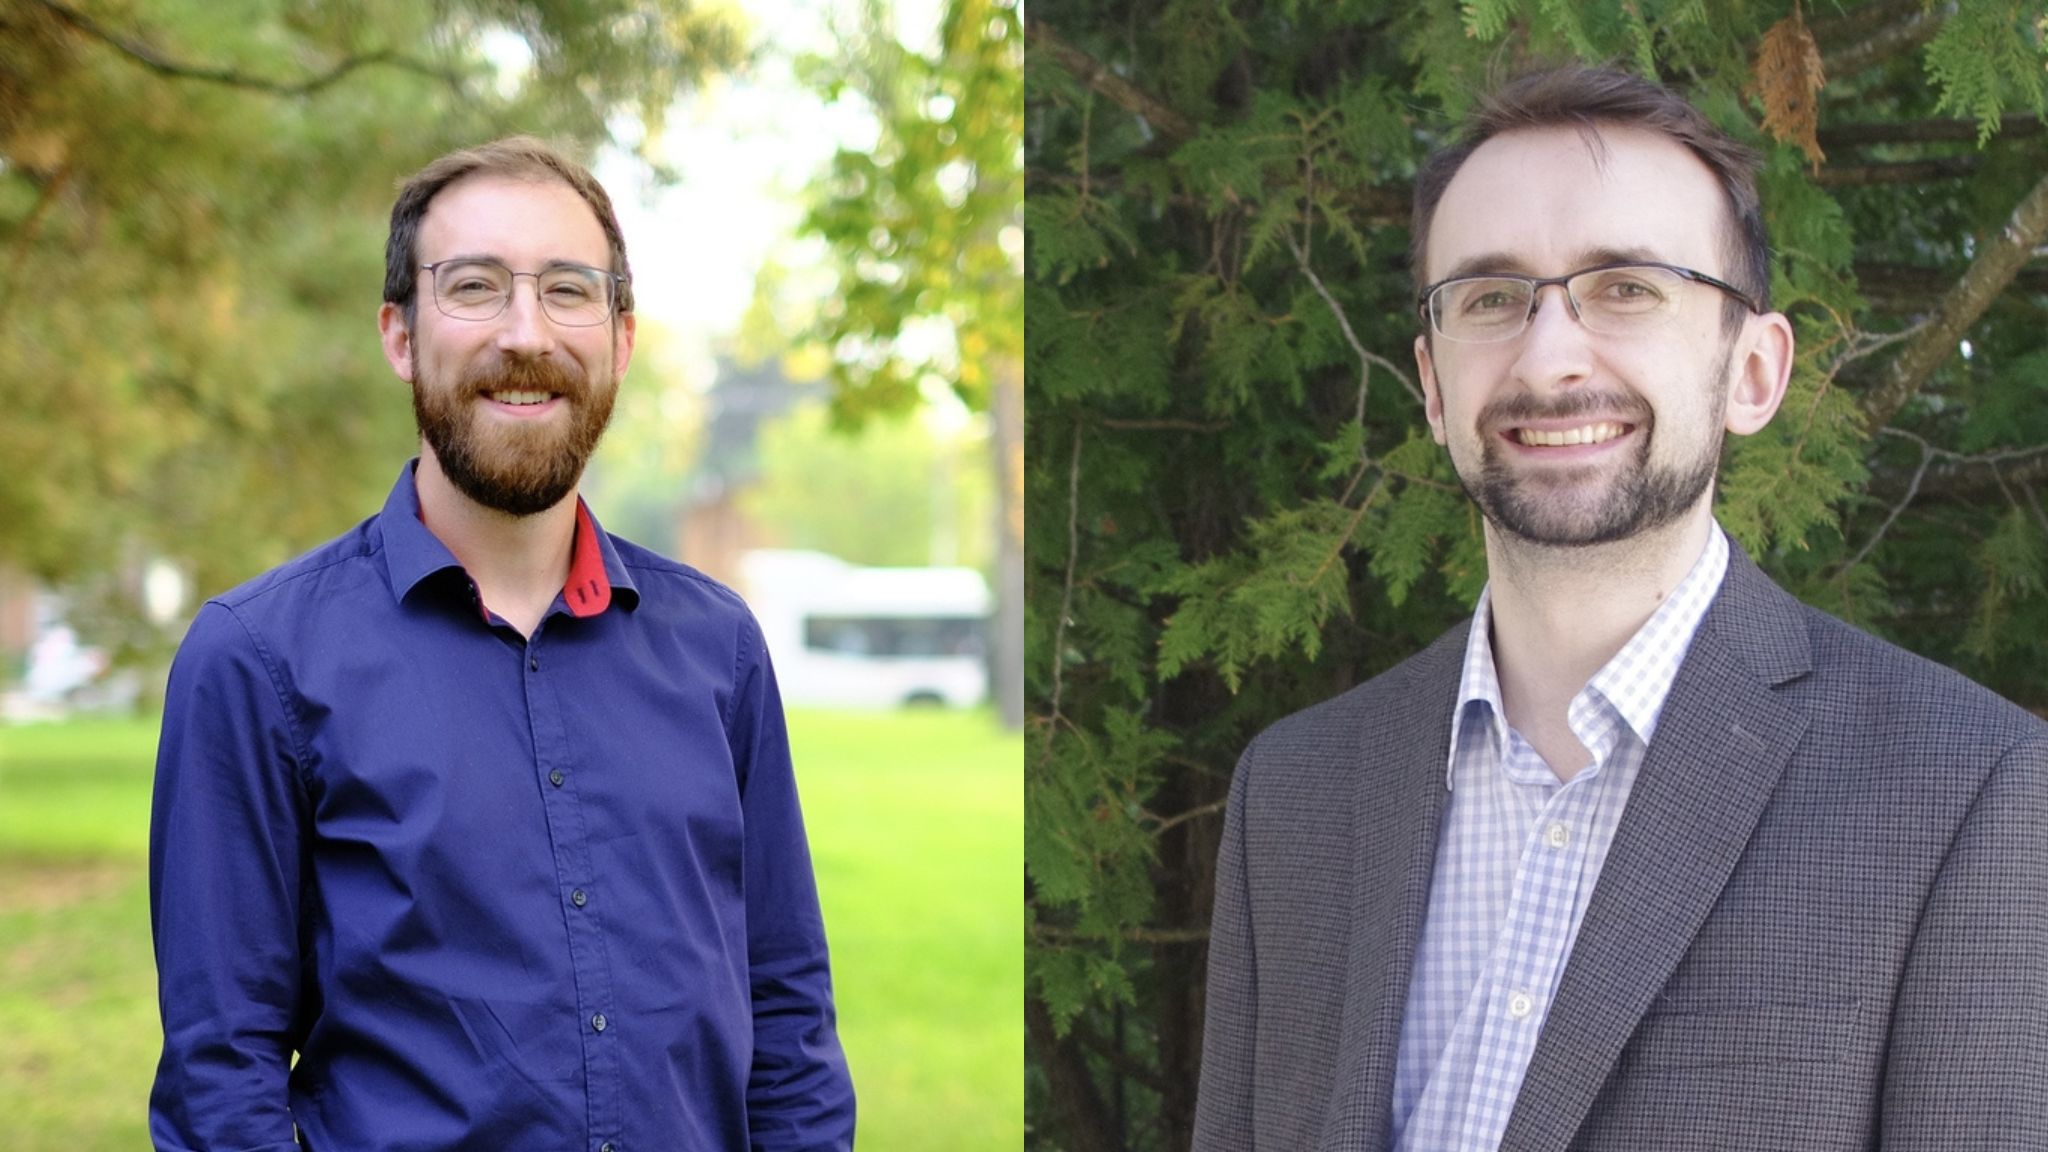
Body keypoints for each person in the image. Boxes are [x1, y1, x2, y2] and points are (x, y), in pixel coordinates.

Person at [1192, 67, 2048, 1152]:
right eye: (1490, 299)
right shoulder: (1295, 792)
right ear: (1431, 382)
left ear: (1752, 371)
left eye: (1626, 287)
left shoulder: (1960, 791)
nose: (1548, 359)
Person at [148, 137, 855, 1151]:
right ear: (400, 334)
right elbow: (222, 1078)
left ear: (619, 338)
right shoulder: (257, 663)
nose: (525, 333)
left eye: (567, 290)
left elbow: (786, 1022)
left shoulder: (721, 651)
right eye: (474, 286)